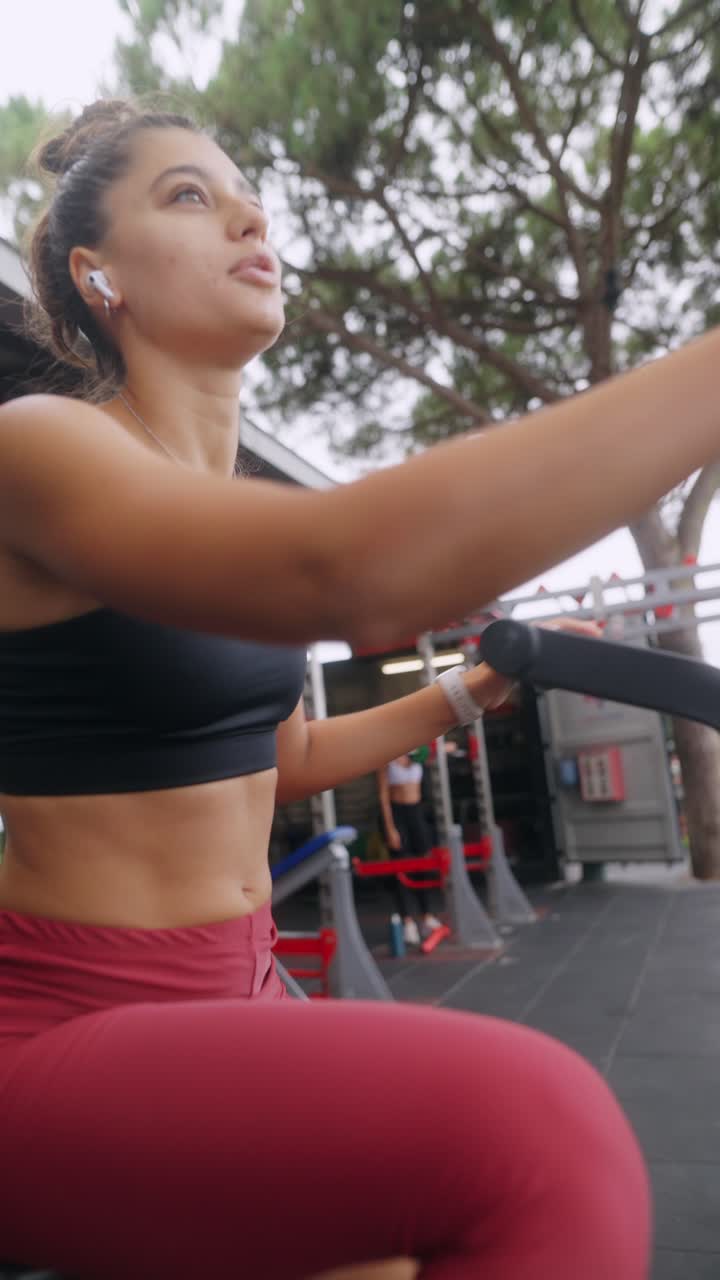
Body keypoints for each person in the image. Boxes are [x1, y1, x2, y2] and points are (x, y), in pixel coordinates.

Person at [3, 94, 719, 1280]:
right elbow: (354, 568)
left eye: (247, 191)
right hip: (65, 1018)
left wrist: (465, 694)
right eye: (189, 194)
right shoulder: (40, 445)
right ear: (99, 275)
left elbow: (278, 760)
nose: (246, 209)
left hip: (244, 980)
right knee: (534, 1137)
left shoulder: (244, 511)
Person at [377, 748, 445, 945]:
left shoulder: (418, 756)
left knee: (422, 866)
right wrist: (390, 828)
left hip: (416, 812)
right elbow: (383, 797)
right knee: (399, 868)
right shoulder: (387, 759)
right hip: (397, 815)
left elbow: (440, 747)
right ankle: (407, 920)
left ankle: (425, 915)